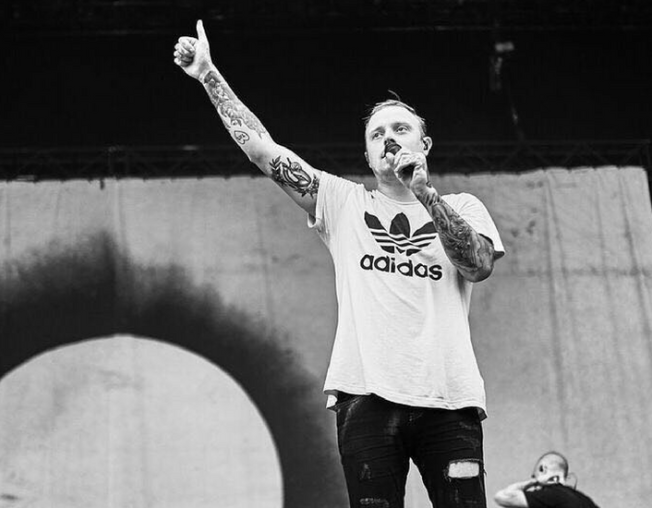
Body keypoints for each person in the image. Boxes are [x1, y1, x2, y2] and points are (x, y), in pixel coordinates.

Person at [174, 20, 505, 508]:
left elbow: (477, 265)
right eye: (377, 134)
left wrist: (424, 194)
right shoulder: (343, 202)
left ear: (425, 145)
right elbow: (264, 151)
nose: (389, 138)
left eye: (401, 129)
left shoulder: (463, 206)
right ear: (367, 154)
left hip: (449, 399)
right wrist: (208, 74)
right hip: (365, 397)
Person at [494, 452, 600, 508]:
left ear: (543, 469)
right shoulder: (585, 500)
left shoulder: (551, 495)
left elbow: (502, 497)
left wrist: (535, 481)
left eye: (534, 476)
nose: (535, 488)